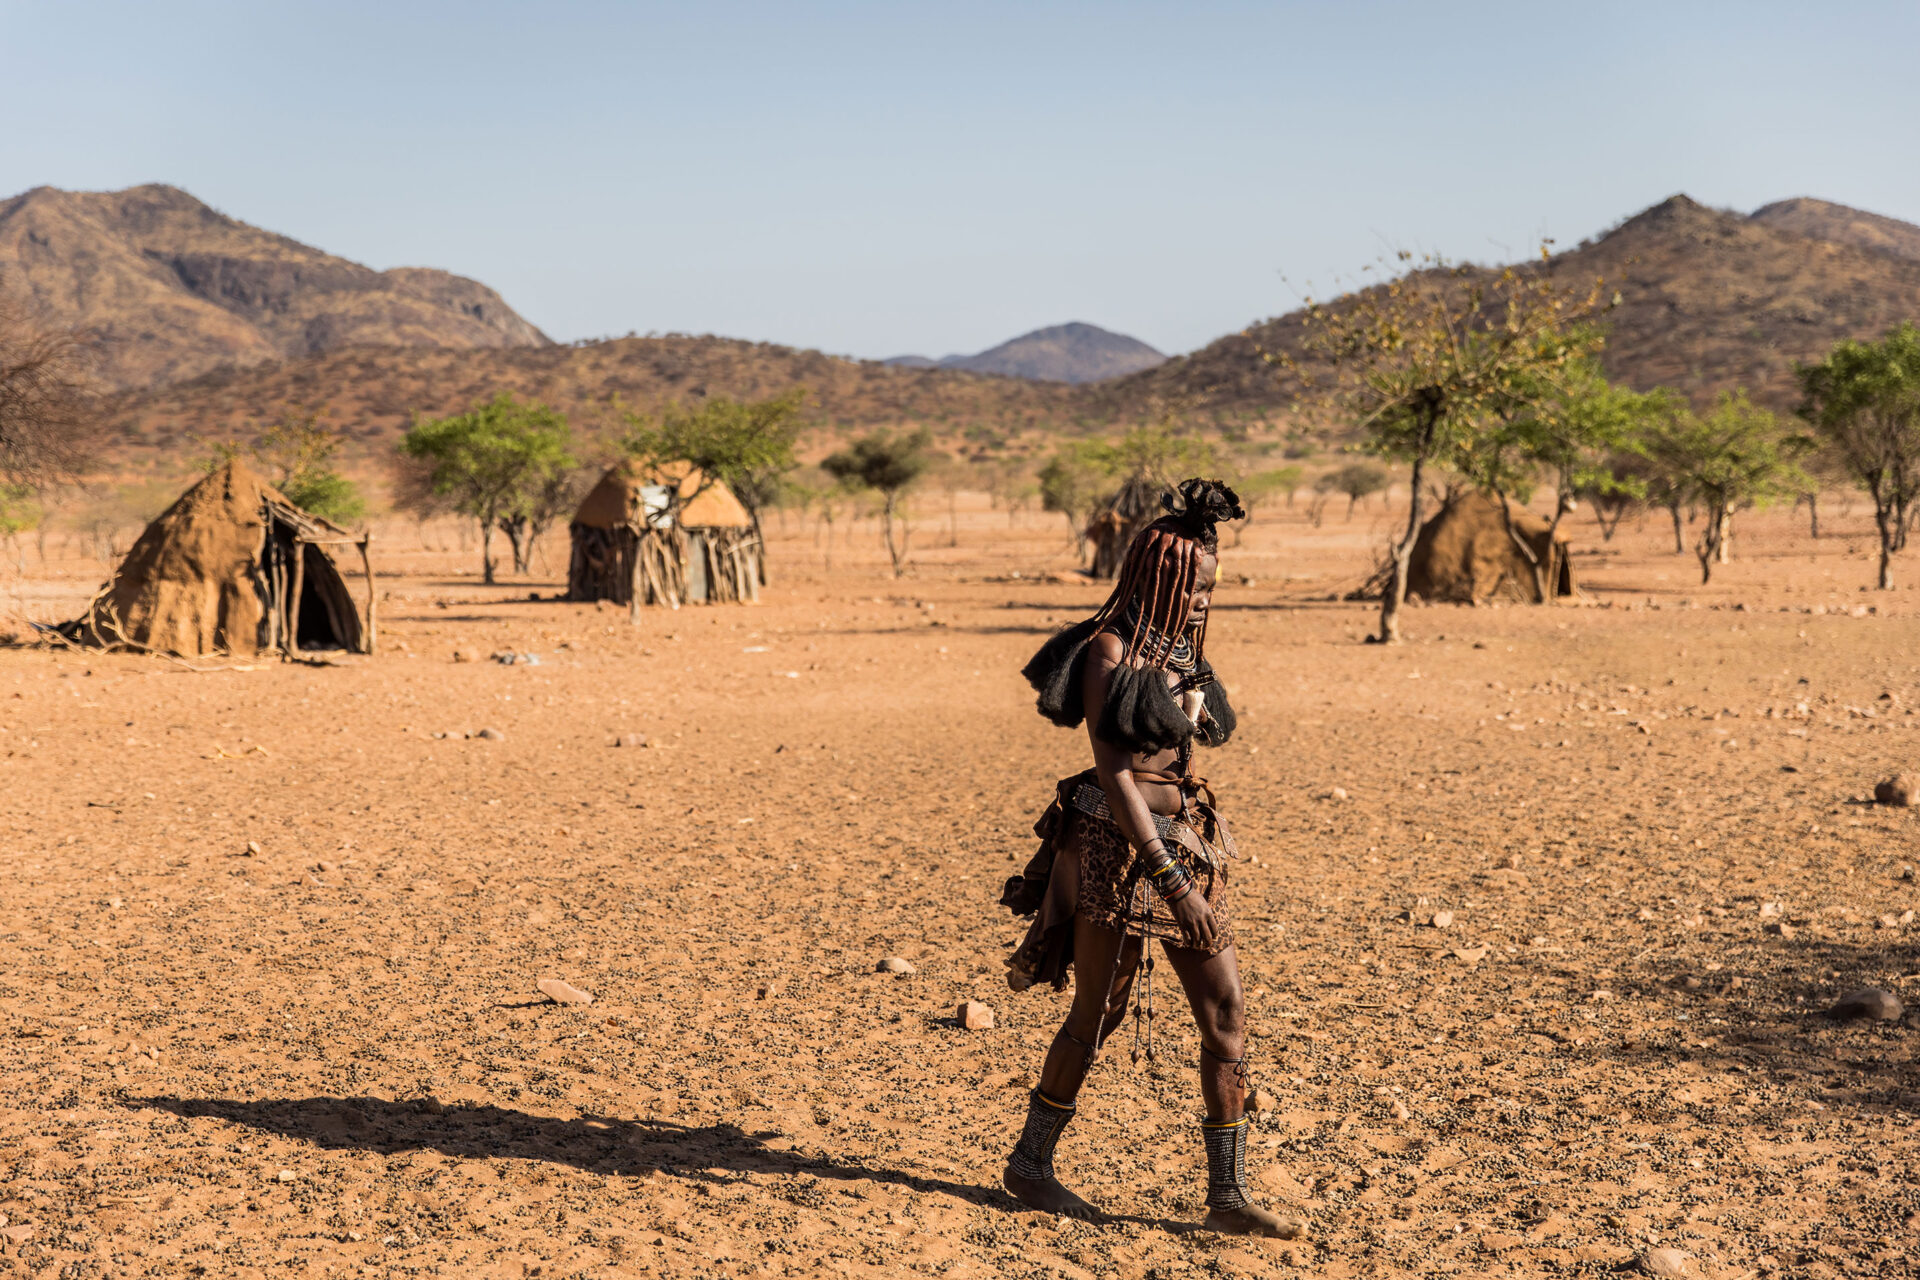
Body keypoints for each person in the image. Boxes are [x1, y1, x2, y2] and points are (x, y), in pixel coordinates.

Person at [997, 477, 1297, 1238]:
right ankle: (1030, 1166)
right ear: (1160, 579)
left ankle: (1226, 1196)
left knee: (1225, 1012)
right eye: (1193, 587)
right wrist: (1172, 883)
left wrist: (1188, 874)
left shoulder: (1182, 652)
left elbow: (1190, 744)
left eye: (1210, 587)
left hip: (1187, 842)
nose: (1203, 600)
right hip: (1115, 850)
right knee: (1099, 1011)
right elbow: (1116, 775)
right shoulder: (1110, 653)